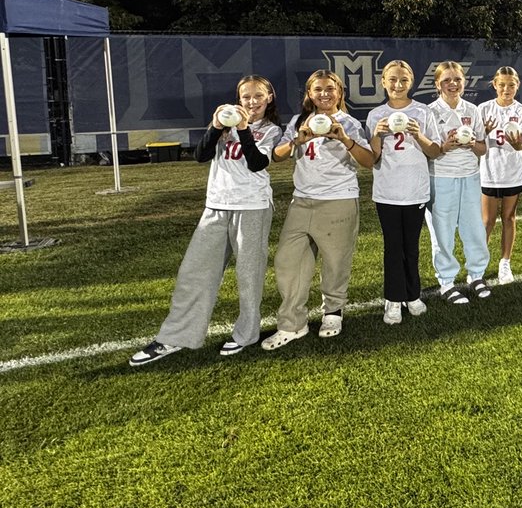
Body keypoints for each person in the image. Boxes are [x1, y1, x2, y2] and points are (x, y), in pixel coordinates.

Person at [129, 76, 282, 365]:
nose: (252, 102)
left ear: (269, 98)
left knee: (248, 276)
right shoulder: (225, 121)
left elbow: (257, 163)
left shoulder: (271, 130)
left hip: (252, 207)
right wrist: (216, 126)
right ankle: (174, 338)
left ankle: (246, 334)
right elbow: (200, 156)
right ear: (239, 98)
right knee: (194, 272)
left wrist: (243, 129)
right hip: (216, 206)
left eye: (258, 96)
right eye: (246, 97)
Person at [263, 70, 373, 350]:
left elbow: (368, 161)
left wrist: (344, 139)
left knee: (335, 263)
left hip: (338, 199)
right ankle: (293, 324)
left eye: (330, 89)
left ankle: (333, 312)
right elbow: (277, 156)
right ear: (309, 94)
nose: (324, 94)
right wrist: (297, 140)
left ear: (340, 93)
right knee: (288, 262)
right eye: (318, 90)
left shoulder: (348, 122)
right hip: (302, 201)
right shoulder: (300, 121)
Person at [366, 60, 441, 325]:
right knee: (392, 247)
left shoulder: (423, 112)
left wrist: (419, 135)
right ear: (384, 82)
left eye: (404, 80)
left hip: (415, 190)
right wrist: (376, 135)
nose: (398, 85)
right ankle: (393, 299)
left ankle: (412, 294)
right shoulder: (376, 115)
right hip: (386, 191)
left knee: (411, 247)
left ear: (412, 82)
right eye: (393, 80)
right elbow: (372, 158)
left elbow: (435, 151)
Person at [426, 61, 491, 304]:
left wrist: (471, 144)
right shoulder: (429, 111)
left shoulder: (472, 111)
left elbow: (483, 148)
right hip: (440, 177)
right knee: (442, 232)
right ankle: (447, 282)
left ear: (464, 82)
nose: (453, 84)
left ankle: (476, 275)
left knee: (474, 227)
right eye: (447, 80)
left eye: (457, 80)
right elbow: (429, 150)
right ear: (437, 84)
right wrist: (446, 146)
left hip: (470, 176)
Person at [478, 66, 522, 285]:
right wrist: (484, 133)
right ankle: (479, 263)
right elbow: (475, 142)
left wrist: (518, 144)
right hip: (489, 171)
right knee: (487, 220)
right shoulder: (483, 108)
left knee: (509, 217)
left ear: (517, 86)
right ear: (494, 85)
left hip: (512, 171)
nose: (506, 89)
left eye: (511, 85)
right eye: (502, 84)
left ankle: (504, 262)